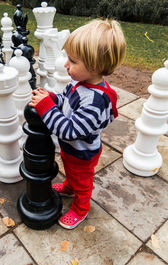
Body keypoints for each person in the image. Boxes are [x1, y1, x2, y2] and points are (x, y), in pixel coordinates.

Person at [30, 19, 126, 229]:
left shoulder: (95, 100)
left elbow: (69, 131)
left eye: (73, 61)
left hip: (82, 153)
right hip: (72, 150)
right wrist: (52, 98)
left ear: (94, 67)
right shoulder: (79, 83)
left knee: (83, 182)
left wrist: (46, 107)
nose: (66, 64)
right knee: (71, 172)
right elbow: (64, 99)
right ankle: (69, 186)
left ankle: (81, 209)